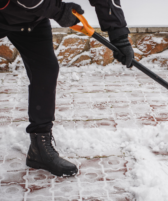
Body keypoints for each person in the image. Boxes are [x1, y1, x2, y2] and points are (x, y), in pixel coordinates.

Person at [0, 0, 134, 176]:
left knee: (45, 70)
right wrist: (59, 10)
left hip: (31, 19)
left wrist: (119, 35)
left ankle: (40, 147)